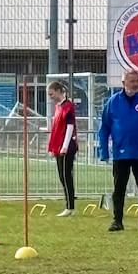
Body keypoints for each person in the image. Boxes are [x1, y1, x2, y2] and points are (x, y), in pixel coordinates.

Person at [97, 69, 138, 232]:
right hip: (120, 153)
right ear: (124, 83)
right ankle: (117, 221)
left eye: (137, 81)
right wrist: (103, 151)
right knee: (119, 189)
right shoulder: (113, 102)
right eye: (132, 81)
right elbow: (104, 129)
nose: (135, 84)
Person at [46, 81, 79, 216]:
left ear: (58, 91)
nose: (50, 97)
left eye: (51, 94)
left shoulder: (68, 107)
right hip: (58, 146)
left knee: (66, 176)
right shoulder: (58, 107)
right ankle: (69, 205)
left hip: (66, 147)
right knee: (62, 176)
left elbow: (70, 127)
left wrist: (65, 146)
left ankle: (70, 207)